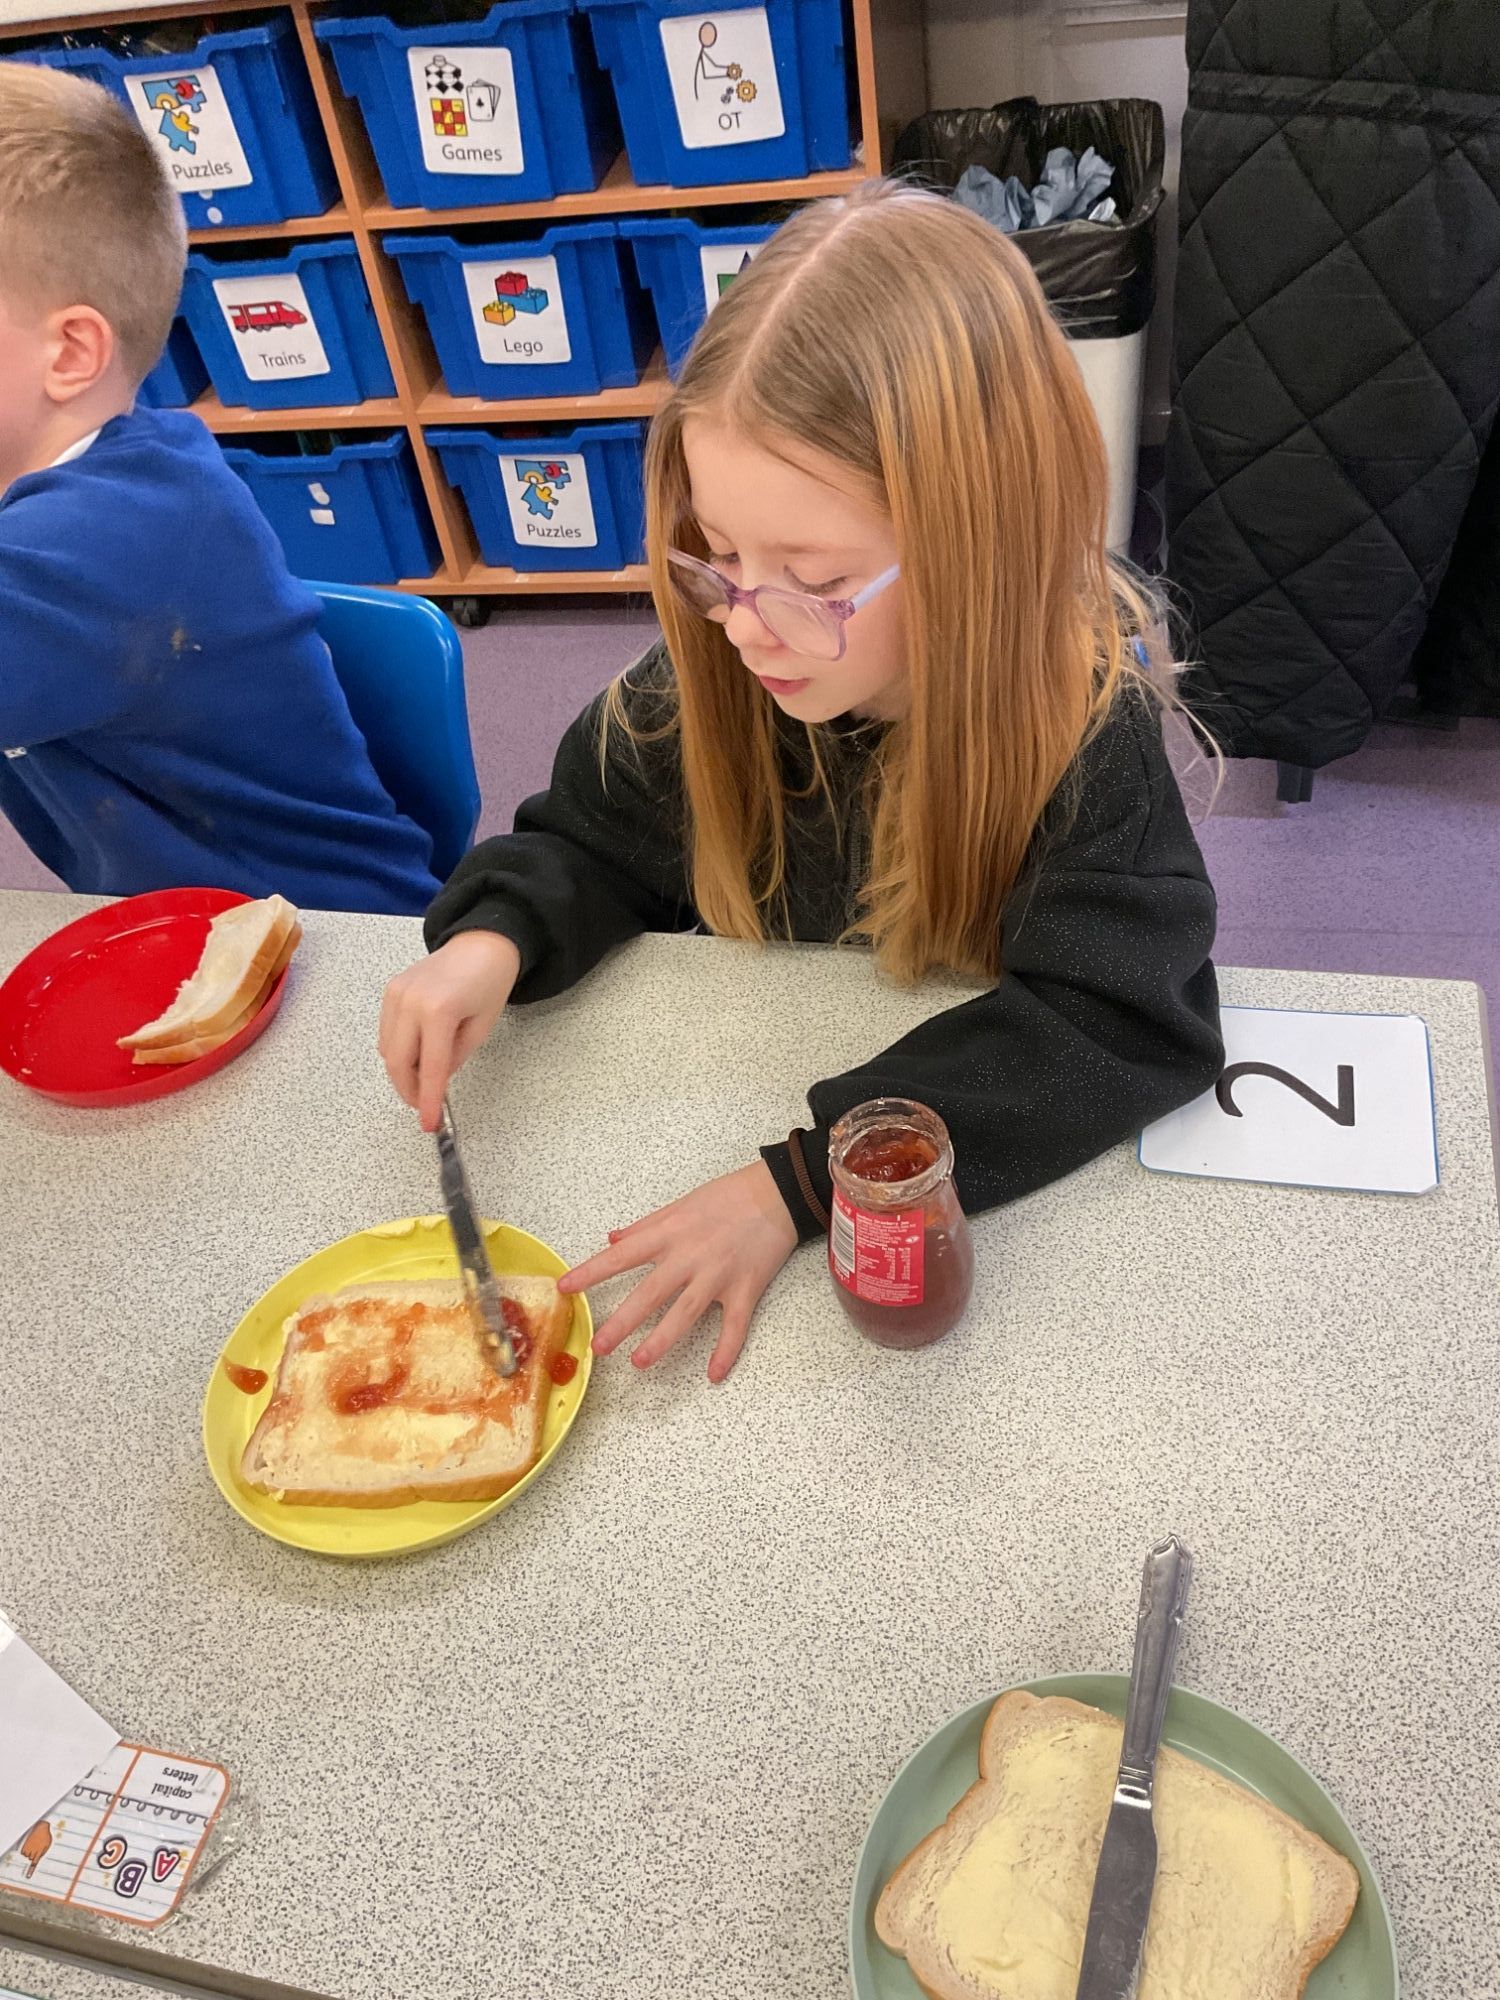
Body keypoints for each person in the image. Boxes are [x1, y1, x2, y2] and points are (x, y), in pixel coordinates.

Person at [380, 180, 1224, 1380]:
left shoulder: (1086, 743)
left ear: (981, 551)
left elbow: (1120, 1019)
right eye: (719, 554)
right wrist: (497, 936)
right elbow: (588, 841)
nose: (744, 624)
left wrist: (798, 1178)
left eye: (816, 580)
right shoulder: (713, 678)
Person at [0, 63, 439, 915]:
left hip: (338, 947)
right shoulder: (123, 467)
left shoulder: (99, 542)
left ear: (69, 354)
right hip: (179, 928)